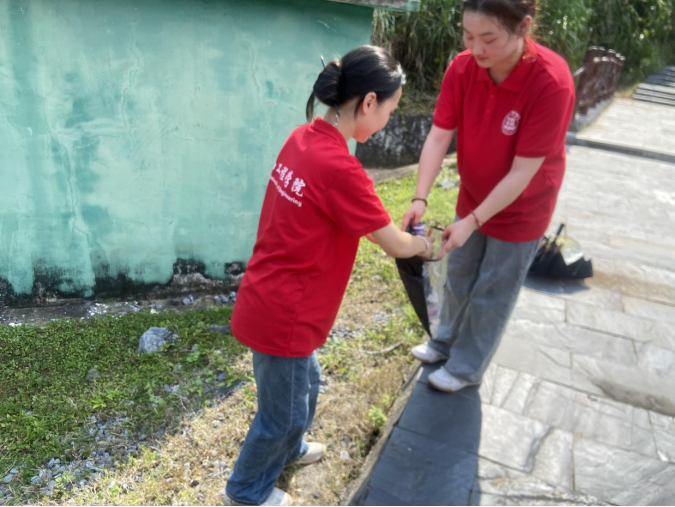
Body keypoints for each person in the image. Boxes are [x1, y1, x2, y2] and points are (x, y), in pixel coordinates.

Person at [225, 46, 434, 507]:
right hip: (285, 314)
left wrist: (395, 232)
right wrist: (425, 244)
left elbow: (363, 224)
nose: (387, 121)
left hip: (272, 297)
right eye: (390, 110)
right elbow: (395, 244)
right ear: (368, 102)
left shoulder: (301, 139)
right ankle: (245, 490)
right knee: (281, 414)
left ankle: (291, 449)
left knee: (306, 385)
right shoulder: (341, 169)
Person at [404, 0, 575, 393]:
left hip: (523, 208)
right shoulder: (462, 68)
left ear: (524, 27)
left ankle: (466, 368)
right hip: (474, 194)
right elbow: (439, 136)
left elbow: (522, 172)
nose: (476, 48)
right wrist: (420, 198)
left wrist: (474, 221)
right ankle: (443, 342)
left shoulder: (551, 81)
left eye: (489, 38)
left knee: (493, 290)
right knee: (460, 275)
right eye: (468, 35)